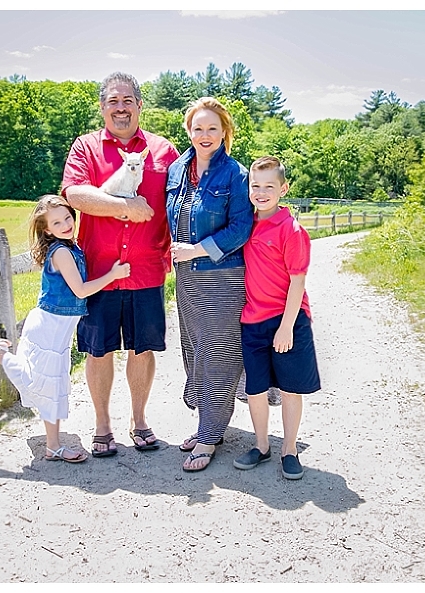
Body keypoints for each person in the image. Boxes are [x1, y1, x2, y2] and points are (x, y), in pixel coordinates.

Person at [61, 72, 180, 457]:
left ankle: (139, 419)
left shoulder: (163, 151)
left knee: (142, 349)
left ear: (140, 106)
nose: (121, 108)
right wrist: (126, 207)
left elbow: (185, 197)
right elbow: (76, 194)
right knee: (99, 350)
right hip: (99, 270)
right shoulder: (86, 147)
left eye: (127, 100)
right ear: (102, 107)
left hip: (147, 267)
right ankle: (102, 424)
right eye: (113, 101)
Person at [0, 195, 130, 464]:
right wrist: (112, 275)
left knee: (49, 384)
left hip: (56, 330)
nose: (66, 224)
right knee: (48, 385)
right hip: (48, 328)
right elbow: (80, 289)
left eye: (68, 217)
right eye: (57, 222)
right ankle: (53, 446)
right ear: (47, 229)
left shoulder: (71, 246)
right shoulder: (63, 252)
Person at [165, 97, 253, 472]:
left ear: (224, 133)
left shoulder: (235, 173)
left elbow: (241, 228)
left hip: (223, 278)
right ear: (188, 130)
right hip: (187, 280)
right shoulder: (176, 171)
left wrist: (196, 250)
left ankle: (211, 434)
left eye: (212, 128)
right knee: (195, 351)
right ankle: (207, 422)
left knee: (219, 355)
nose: (205, 135)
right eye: (198, 128)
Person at [233, 156, 321, 480]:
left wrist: (286, 327)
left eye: (269, 186)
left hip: (288, 320)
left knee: (289, 388)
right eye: (255, 186)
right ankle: (261, 445)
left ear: (283, 189)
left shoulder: (292, 230)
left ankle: (289, 448)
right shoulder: (246, 224)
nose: (261, 192)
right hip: (253, 320)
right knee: (255, 388)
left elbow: (298, 282)